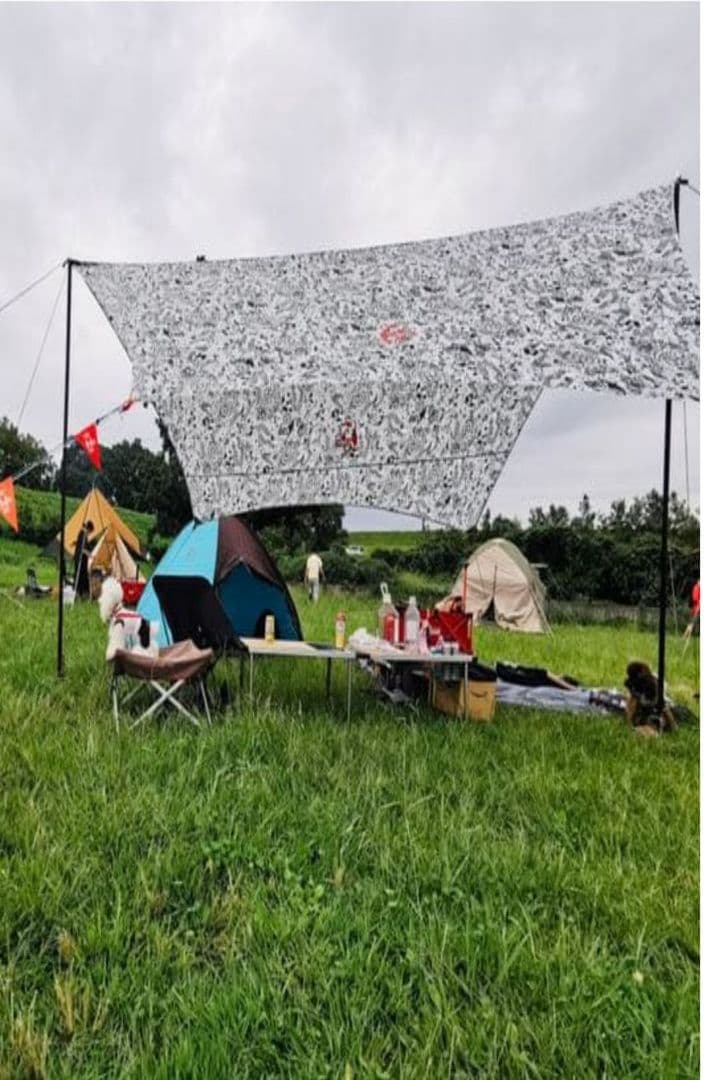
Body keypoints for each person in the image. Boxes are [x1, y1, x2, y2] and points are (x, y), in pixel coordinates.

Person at [73, 519, 95, 599]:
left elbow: (81, 545)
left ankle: (81, 593)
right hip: (80, 560)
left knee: (81, 576)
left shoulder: (82, 534)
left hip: (80, 559)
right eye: (90, 532)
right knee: (80, 576)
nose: (89, 534)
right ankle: (80, 593)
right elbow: (83, 548)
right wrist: (90, 555)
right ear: (88, 529)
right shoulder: (83, 534)